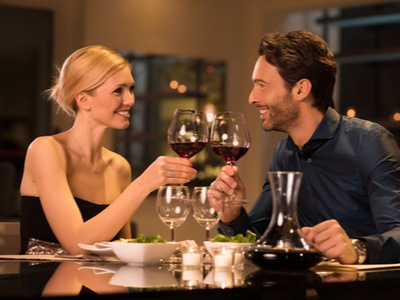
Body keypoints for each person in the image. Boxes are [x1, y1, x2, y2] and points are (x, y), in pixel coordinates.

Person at [210, 30, 400, 264]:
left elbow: (397, 233)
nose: (252, 97)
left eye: (261, 85)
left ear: (301, 89)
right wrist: (232, 215)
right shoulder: (283, 154)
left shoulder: (369, 141)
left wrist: (358, 248)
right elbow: (260, 241)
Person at [19, 45, 196, 255]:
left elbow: (122, 251)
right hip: (48, 284)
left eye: (131, 89)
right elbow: (77, 245)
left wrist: (170, 248)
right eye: (118, 90)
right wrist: (144, 183)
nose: (130, 100)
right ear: (83, 99)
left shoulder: (119, 166)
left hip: (103, 284)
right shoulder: (46, 149)